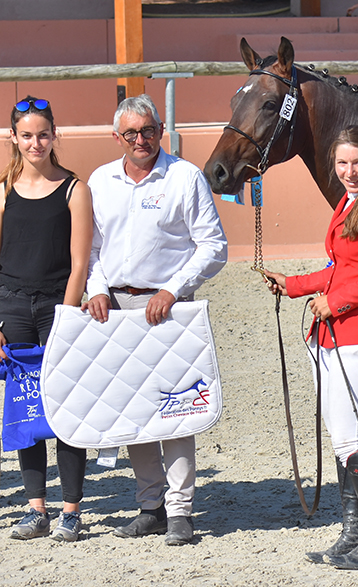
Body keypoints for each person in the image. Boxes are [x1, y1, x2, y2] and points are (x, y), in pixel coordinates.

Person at [82, 94, 227, 546]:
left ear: (160, 130)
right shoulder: (100, 181)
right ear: (116, 137)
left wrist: (172, 289)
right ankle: (151, 505)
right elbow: (92, 251)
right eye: (130, 133)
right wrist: (98, 290)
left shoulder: (185, 177)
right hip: (118, 311)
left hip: (170, 310)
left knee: (177, 406)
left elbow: (213, 246)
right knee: (135, 410)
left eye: (148, 130)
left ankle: (181, 509)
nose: (140, 139)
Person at [264, 125, 358, 570]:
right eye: (342, 163)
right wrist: (294, 285)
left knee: (350, 439)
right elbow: (342, 268)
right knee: (348, 439)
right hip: (334, 334)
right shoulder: (349, 203)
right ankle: (356, 532)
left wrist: (336, 302)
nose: (349, 171)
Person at [0, 96, 93, 542]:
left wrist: (67, 317)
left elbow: (80, 264)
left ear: (55, 136)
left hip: (60, 310)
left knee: (67, 409)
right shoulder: (3, 190)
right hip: (14, 310)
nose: (35, 143)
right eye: (26, 135)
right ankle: (36, 508)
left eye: (43, 134)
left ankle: (71, 510)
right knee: (27, 411)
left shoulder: (76, 189)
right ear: (12, 139)